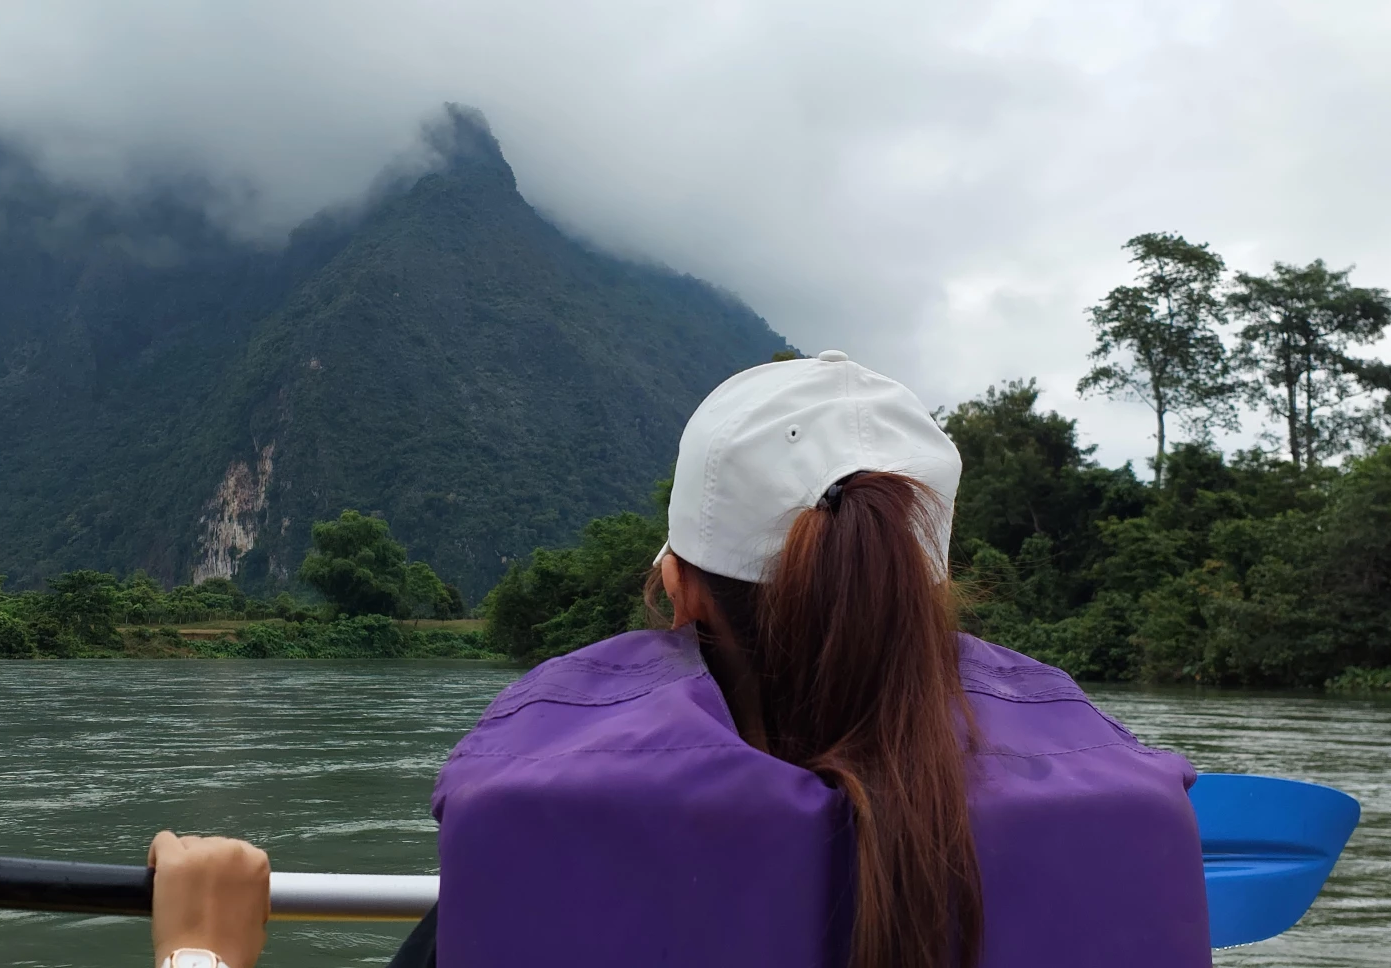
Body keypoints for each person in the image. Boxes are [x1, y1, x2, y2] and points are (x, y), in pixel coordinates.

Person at [147, 352, 1211, 968]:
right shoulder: (1110, 836)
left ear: (676, 585)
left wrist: (199, 952)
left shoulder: (540, 856)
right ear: (930, 595)